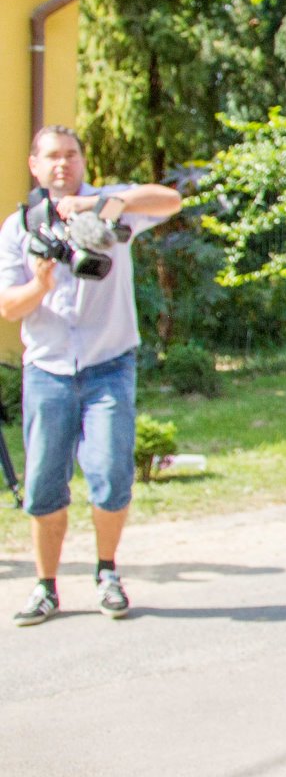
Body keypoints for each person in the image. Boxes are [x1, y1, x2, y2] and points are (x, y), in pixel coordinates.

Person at [4, 125, 183, 627]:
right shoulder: (18, 227)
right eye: (51, 156)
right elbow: (9, 307)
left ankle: (107, 571)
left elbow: (170, 201)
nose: (62, 164)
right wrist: (40, 284)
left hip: (109, 365)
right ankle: (45, 587)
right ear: (34, 166)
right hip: (48, 369)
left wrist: (98, 205)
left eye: (71, 155)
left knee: (110, 475)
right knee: (43, 484)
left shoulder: (111, 205)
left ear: (83, 162)